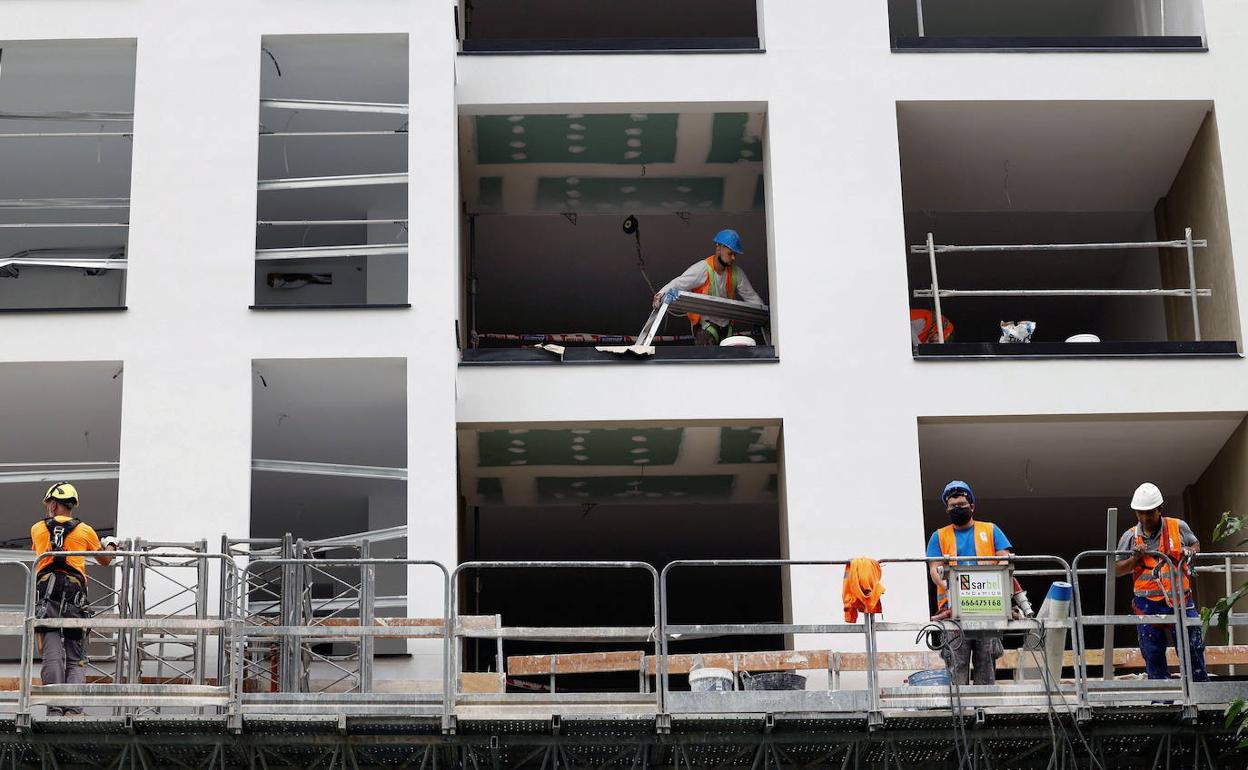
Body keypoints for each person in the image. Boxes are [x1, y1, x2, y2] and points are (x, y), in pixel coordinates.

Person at [30, 482, 118, 716]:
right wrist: (110, 544)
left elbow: (39, 552)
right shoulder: (85, 530)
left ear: (54, 505)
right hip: (74, 598)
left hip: (46, 598)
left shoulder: (37, 528)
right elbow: (105, 560)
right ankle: (73, 709)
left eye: (50, 503)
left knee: (51, 654)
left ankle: (54, 708)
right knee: (75, 656)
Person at [1114, 482, 1208, 682]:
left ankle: (1199, 693)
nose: (1145, 518)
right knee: (1153, 652)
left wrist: (1190, 551)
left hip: (1180, 601)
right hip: (1147, 605)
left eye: (1149, 513)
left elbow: (1195, 544)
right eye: (1140, 513)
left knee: (1192, 648)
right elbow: (1117, 570)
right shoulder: (1130, 536)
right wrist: (1135, 559)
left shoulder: (1178, 526)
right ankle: (1162, 700)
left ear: (1160, 510)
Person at [925, 480, 1013, 685]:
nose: (957, 509)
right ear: (947, 508)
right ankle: (961, 714)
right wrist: (951, 588)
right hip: (953, 611)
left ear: (972, 506)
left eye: (962, 505)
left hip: (988, 609)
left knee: (985, 663)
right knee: (957, 664)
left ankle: (984, 709)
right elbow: (934, 569)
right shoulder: (939, 536)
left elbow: (1004, 558)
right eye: (953, 506)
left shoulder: (990, 530)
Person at [653, 229, 764, 346]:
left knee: (728, 360)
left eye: (735, 254)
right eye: (730, 254)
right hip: (705, 325)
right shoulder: (702, 269)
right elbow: (680, 282)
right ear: (718, 248)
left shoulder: (737, 273)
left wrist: (761, 318)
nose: (733, 258)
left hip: (727, 326)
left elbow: (751, 296)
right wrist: (661, 295)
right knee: (707, 353)